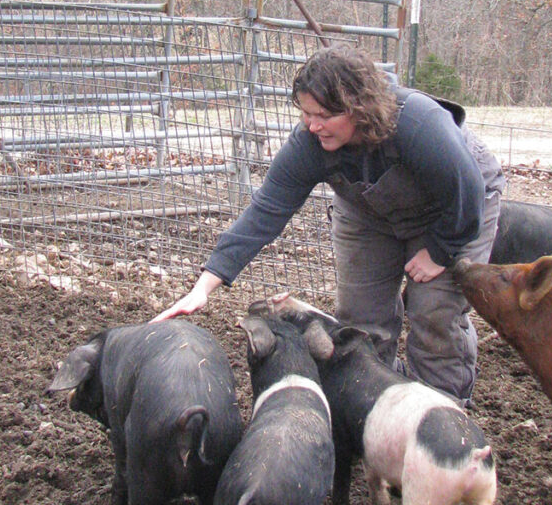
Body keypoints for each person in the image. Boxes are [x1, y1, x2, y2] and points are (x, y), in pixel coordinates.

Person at [153, 44, 504, 405]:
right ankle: (375, 405)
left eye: (322, 115)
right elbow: (267, 209)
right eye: (306, 114)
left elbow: (467, 193)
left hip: (452, 211)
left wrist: (441, 250)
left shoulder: (417, 124)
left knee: (434, 313)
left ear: (359, 107)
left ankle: (444, 413)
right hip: (369, 212)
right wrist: (206, 285)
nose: (312, 125)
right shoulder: (310, 143)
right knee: (361, 320)